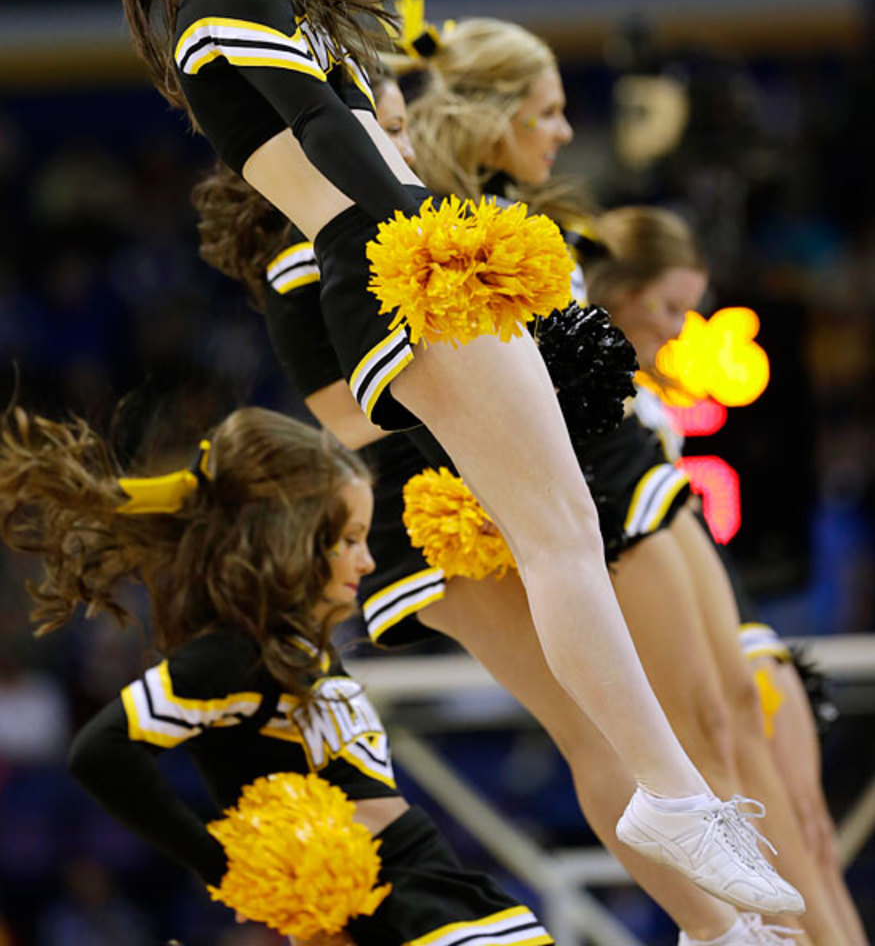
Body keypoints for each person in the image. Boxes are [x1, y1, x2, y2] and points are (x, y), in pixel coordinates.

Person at [69, 0, 803, 914]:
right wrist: (441, 229)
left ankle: (690, 850)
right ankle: (671, 795)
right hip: (403, 273)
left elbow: (340, 133)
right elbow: (324, 133)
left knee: (557, 530)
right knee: (560, 537)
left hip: (403, 271)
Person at [193, 29, 804, 946]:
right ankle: (714, 929)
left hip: (481, 472)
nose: (393, 146)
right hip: (428, 507)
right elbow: (349, 412)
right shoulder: (312, 245)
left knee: (621, 714)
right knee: (589, 731)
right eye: (383, 127)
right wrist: (492, 397)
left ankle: (717, 919)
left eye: (398, 127)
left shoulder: (404, 215)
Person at [0, 403, 555, 946]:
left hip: (430, 889)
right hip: (395, 910)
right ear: (290, 537)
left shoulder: (299, 649)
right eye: (349, 540)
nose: (366, 561)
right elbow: (99, 751)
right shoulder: (234, 656)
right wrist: (223, 868)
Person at [585, 206, 867, 946]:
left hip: (735, 618)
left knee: (810, 831)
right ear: (616, 286)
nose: (682, 329)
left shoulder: (645, 380)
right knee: (753, 788)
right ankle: (764, 932)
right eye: (671, 306)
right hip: (685, 619)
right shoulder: (587, 376)